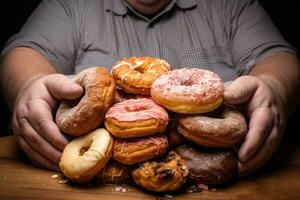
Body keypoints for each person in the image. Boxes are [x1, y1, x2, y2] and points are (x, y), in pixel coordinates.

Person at [0, 0, 299, 175]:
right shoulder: (69, 6)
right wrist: (27, 84)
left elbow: (276, 55)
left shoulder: (232, 5)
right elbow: (26, 51)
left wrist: (274, 86)